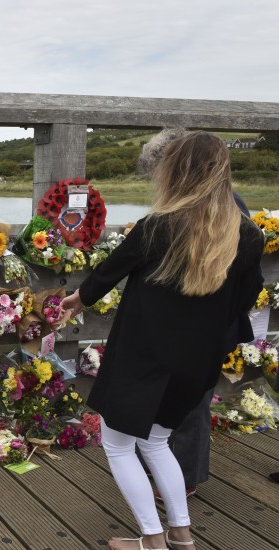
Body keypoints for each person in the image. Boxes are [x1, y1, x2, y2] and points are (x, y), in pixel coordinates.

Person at [61, 131, 264, 550]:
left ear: (175, 172)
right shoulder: (248, 236)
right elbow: (247, 297)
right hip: (197, 362)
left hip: (145, 354)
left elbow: (107, 273)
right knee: (157, 443)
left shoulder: (158, 226)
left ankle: (153, 542)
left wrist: (79, 300)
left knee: (117, 445)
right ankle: (181, 534)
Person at [138, 128, 254, 498]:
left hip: (204, 324)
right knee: (177, 399)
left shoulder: (227, 208)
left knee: (191, 405)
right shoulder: (208, 204)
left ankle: (184, 478)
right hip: (196, 323)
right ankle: (168, 469)